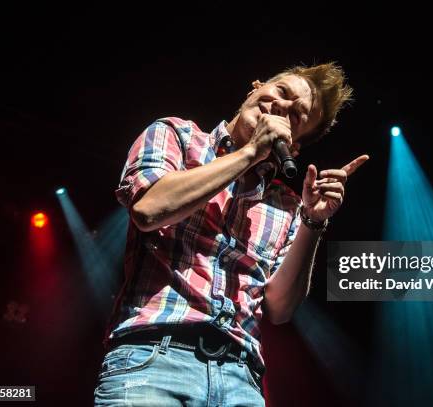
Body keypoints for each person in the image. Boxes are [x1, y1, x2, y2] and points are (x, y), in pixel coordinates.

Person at [94, 62, 368, 406]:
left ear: (294, 146)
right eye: (281, 92)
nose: (281, 107)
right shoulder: (177, 135)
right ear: (255, 88)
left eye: (296, 115)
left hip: (241, 377)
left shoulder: (286, 205)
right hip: (153, 358)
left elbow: (280, 308)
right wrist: (250, 152)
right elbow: (149, 209)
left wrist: (314, 222)